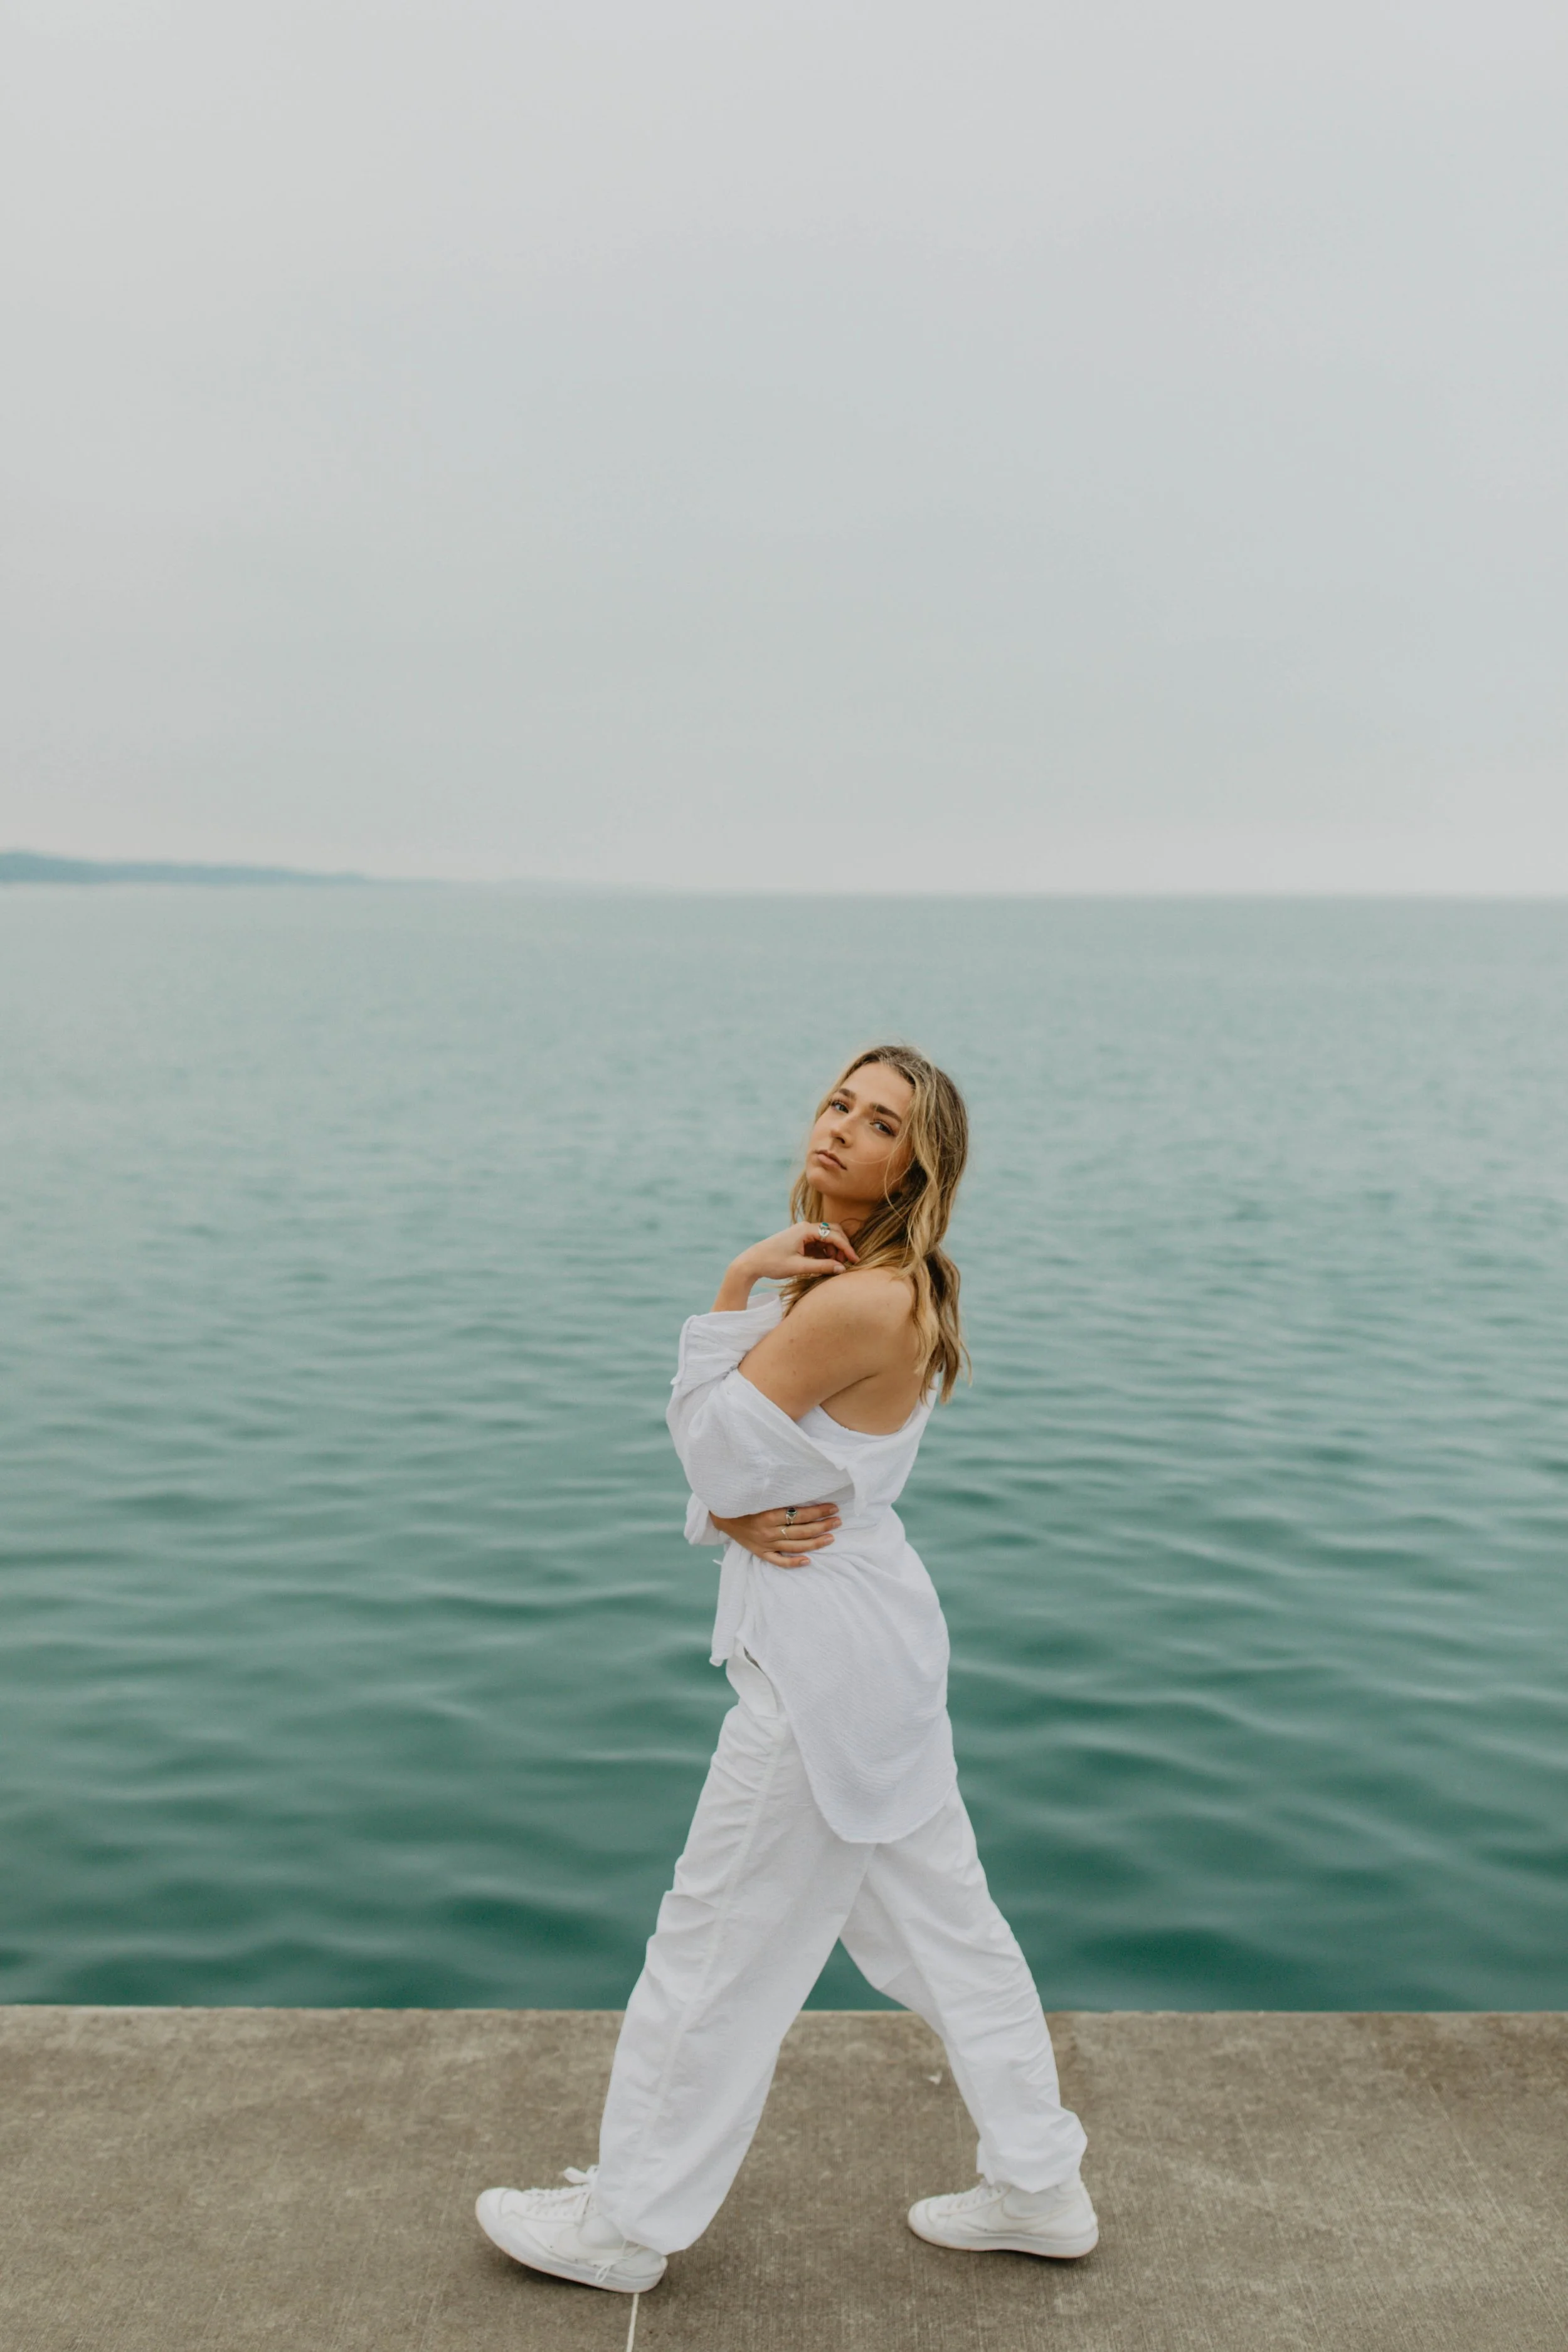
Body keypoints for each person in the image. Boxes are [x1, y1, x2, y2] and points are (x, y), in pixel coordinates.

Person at [476, 1044, 1093, 2294]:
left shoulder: (857, 1300)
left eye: (875, 1125)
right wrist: (734, 1506)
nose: (838, 1131)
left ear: (912, 1167)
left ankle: (626, 2227)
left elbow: (710, 1453)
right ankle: (1039, 2185)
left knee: (712, 1948)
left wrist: (730, 1282)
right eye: (835, 1104)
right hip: (874, 1662)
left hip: (820, 1682)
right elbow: (753, 1483)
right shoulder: (872, 1283)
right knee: (951, 1940)